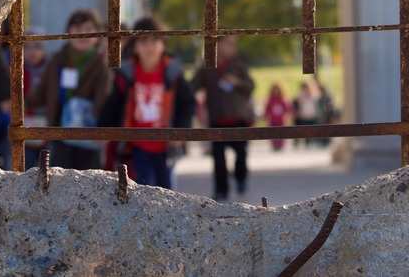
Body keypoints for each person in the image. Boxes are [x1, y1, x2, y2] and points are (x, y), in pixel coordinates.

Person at [100, 17, 195, 189]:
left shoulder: (173, 73)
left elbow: (187, 104)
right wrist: (104, 128)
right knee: (142, 189)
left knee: (166, 190)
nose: (149, 47)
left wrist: (180, 131)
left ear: (163, 44)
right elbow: (114, 103)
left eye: (155, 41)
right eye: (143, 41)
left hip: (166, 145)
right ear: (135, 46)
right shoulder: (127, 74)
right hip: (137, 145)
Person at [33, 9, 110, 170]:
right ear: (68, 32)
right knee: (58, 181)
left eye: (88, 29)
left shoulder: (103, 64)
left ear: (97, 34)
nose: (83, 34)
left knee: (89, 184)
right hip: (59, 132)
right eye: (77, 29)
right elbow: (40, 93)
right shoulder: (57, 59)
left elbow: (107, 100)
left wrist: (105, 129)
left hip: (89, 134)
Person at [193, 36, 255, 200]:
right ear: (217, 44)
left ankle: (241, 178)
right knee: (218, 159)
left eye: (234, 44)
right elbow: (193, 86)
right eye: (228, 43)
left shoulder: (238, 65)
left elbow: (250, 87)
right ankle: (221, 190)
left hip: (238, 119)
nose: (233, 47)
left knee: (241, 154)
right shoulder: (207, 67)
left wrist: (237, 82)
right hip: (217, 120)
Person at [23, 29, 49, 169]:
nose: (32, 51)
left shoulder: (51, 69)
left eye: (38, 46)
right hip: (23, 125)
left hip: (47, 127)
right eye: (27, 47)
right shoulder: (14, 68)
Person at [292, 80, 319, 147]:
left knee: (310, 130)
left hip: (311, 116)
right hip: (303, 116)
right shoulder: (300, 96)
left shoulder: (314, 95)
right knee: (303, 130)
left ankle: (309, 142)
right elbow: (298, 105)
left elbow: (316, 102)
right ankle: (303, 142)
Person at [264, 83, 289, 151]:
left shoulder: (282, 99)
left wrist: (286, 117)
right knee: (273, 134)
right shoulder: (270, 100)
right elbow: (267, 110)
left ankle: (280, 146)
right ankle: (274, 146)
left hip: (281, 120)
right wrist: (266, 117)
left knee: (281, 134)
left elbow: (286, 109)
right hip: (273, 120)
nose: (276, 91)